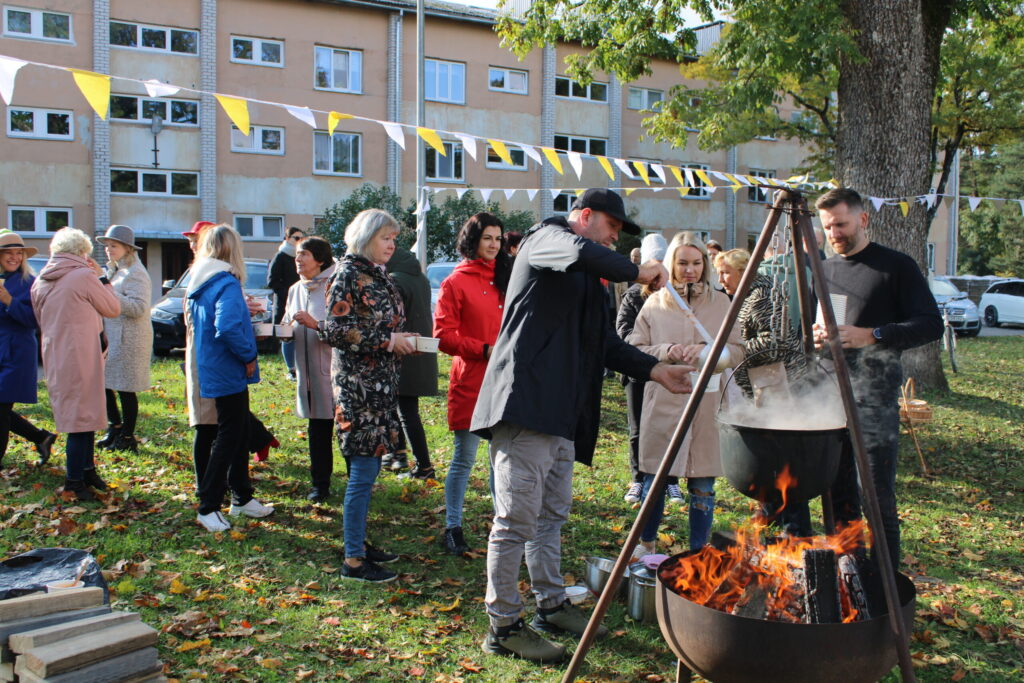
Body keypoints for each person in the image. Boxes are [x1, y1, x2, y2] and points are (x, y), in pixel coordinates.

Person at [471, 188, 694, 662]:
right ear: (584, 217)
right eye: (611, 228)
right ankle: (503, 625)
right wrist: (638, 270)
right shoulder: (545, 239)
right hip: (525, 406)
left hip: (564, 415)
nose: (614, 239)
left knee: (550, 517)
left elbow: (606, 346)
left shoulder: (591, 280)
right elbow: (581, 251)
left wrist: (656, 370)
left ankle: (550, 603)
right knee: (514, 522)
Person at [813, 188, 942, 568]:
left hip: (875, 398)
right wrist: (818, 335)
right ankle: (846, 573)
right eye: (827, 226)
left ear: (863, 219)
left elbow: (930, 324)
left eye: (841, 224)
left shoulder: (895, 267)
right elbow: (821, 322)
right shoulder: (825, 269)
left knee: (874, 494)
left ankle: (885, 582)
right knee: (837, 493)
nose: (834, 233)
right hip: (828, 397)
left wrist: (873, 335)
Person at [316, 209, 417, 583]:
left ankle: (356, 542)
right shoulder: (348, 274)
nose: (391, 244)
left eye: (393, 238)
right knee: (362, 472)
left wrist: (404, 342)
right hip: (358, 391)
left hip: (380, 386)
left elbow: (379, 323)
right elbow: (336, 330)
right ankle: (353, 561)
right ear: (366, 237)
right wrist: (390, 341)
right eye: (385, 238)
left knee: (370, 469)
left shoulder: (376, 274)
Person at [629, 232, 743, 557]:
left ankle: (698, 554)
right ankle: (646, 544)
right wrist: (667, 350)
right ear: (671, 265)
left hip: (707, 405)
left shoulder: (721, 302)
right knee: (655, 481)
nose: (690, 270)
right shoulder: (654, 302)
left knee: (703, 487)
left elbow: (737, 350)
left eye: (696, 263)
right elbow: (634, 349)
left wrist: (710, 354)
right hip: (663, 400)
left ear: (705, 265)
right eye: (682, 263)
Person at [186, 224, 274, 532]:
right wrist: (248, 355)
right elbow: (226, 327)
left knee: (235, 434)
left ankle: (241, 496)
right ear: (232, 249)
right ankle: (208, 505)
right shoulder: (225, 282)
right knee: (229, 435)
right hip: (227, 367)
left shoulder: (203, 281)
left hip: (214, 365)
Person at [433, 212, 511, 556]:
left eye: (498, 238)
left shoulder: (510, 276)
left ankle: (503, 524)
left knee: (502, 459)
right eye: (487, 238)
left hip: (506, 381)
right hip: (471, 380)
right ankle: (453, 526)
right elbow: (443, 336)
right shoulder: (456, 282)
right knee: (464, 458)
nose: (494, 245)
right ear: (473, 240)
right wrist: (483, 349)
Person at [31, 228, 121, 500]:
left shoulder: (41, 281)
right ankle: (75, 481)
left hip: (56, 354)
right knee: (82, 420)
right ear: (82, 253)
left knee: (80, 414)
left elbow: (40, 319)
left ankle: (87, 469)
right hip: (82, 354)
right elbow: (112, 308)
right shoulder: (83, 276)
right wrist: (103, 277)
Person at [616, 233, 678, 505]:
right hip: (637, 372)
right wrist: (656, 347)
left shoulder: (677, 295)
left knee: (671, 427)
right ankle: (638, 479)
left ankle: (670, 481)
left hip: (671, 372)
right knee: (638, 428)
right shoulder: (633, 295)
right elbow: (624, 332)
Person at [283, 236, 338, 502]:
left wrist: (315, 324)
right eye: (297, 254)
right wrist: (281, 332)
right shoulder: (295, 289)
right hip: (307, 374)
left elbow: (345, 332)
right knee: (317, 432)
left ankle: (357, 484)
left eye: (303, 254)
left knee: (344, 431)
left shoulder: (335, 286)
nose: (298, 259)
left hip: (336, 373)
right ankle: (320, 485)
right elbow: (286, 322)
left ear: (320, 260)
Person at [0, 231, 56, 468]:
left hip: (17, 351)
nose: (14, 257)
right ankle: (41, 437)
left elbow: (35, 320)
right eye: (8, 253)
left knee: (1, 407)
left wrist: (9, 301)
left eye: (18, 253)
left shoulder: (29, 283)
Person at [96, 225, 152, 453]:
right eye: (107, 246)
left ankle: (128, 436)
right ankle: (115, 427)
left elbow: (139, 308)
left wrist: (109, 291)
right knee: (106, 384)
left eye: (114, 246)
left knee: (126, 388)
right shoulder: (115, 269)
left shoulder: (136, 272)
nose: (109, 250)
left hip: (131, 338)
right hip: (113, 337)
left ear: (127, 248)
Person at [385, 246, 438, 478]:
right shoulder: (421, 278)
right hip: (420, 349)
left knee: (405, 411)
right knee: (402, 409)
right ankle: (399, 454)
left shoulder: (394, 280)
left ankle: (423, 466)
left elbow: (393, 319)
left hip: (402, 350)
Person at [269, 226, 305, 380]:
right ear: (287, 239)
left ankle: (299, 366)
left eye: (301, 238)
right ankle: (291, 368)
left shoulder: (301, 256)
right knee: (287, 335)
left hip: (302, 301)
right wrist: (289, 293)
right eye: (296, 238)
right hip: (285, 303)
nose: (299, 241)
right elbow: (272, 281)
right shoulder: (281, 256)